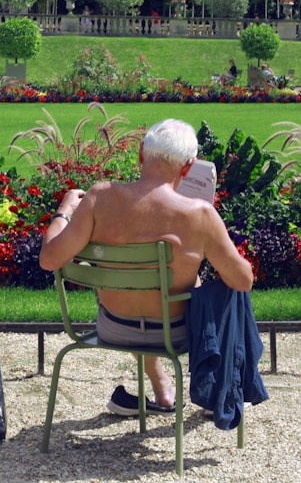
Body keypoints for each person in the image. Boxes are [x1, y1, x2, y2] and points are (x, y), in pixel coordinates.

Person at [39, 119, 254, 417]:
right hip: (175, 335)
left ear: (141, 153)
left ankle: (163, 389)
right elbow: (243, 281)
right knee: (225, 292)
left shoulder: (99, 198)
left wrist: (63, 211)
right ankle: (220, 391)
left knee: (142, 287)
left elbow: (49, 259)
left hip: (113, 327)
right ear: (188, 167)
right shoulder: (200, 214)